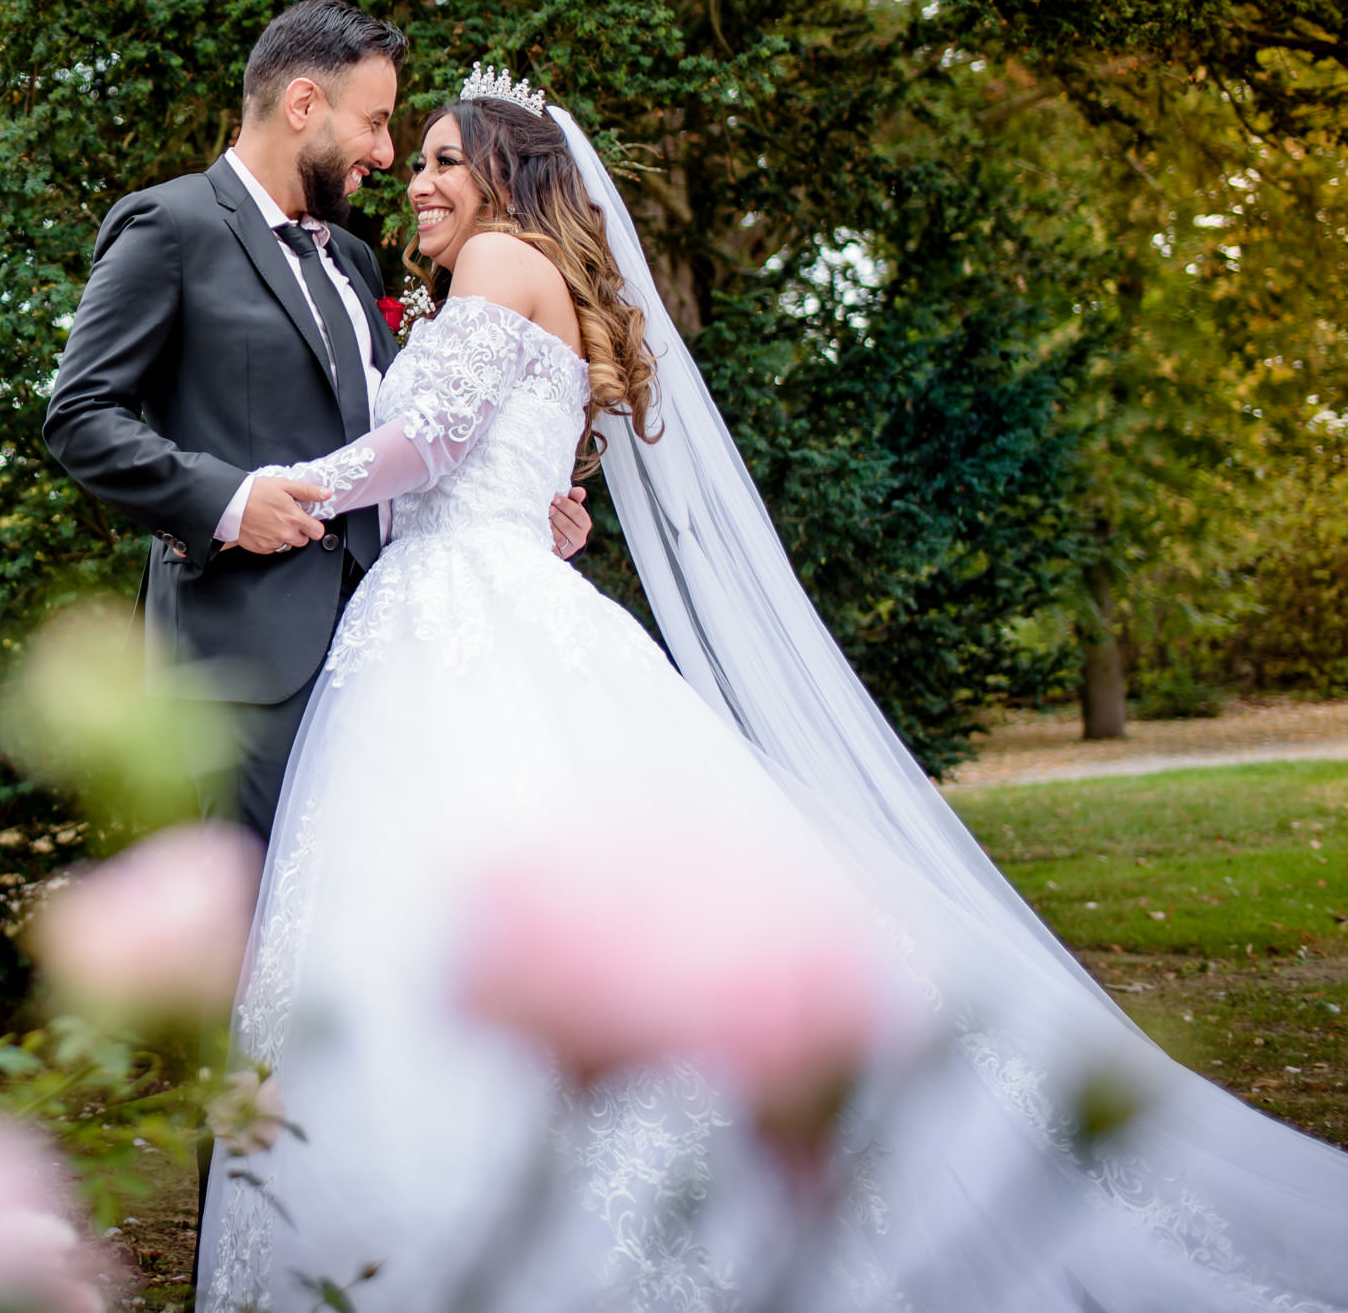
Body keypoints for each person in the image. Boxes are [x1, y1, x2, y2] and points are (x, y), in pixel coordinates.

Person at [195, 69, 1348, 1312]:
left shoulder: (494, 265)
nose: (416, 183)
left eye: (441, 162)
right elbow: (495, 462)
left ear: (507, 177)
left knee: (439, 921)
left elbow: (420, 448)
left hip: (454, 625)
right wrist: (536, 512)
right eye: (409, 159)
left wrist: (283, 490)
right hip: (496, 599)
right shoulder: (539, 280)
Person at [42, 0, 590, 840]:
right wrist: (229, 502)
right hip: (234, 669)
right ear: (304, 106)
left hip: (376, 661)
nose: (386, 152)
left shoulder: (354, 258)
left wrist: (512, 502)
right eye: (375, 122)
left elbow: (405, 428)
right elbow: (80, 415)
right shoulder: (172, 225)